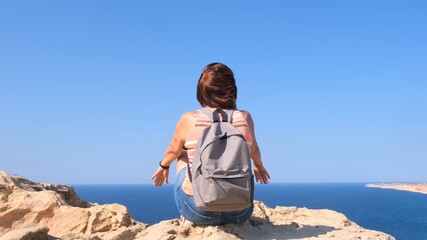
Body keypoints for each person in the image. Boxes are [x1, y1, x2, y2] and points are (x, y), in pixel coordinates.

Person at [151, 62, 270, 225]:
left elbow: (173, 151)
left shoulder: (190, 119)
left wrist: (163, 166)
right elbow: (253, 149)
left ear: (202, 92)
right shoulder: (245, 117)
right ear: (232, 90)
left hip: (199, 211)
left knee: (183, 156)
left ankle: (188, 215)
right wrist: (258, 166)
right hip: (240, 212)